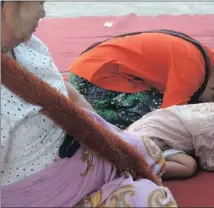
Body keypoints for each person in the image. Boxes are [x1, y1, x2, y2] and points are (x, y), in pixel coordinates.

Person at [1, 2, 177, 207]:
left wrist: (104, 136)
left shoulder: (28, 45)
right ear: (9, 5)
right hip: (51, 195)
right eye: (39, 2)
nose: (43, 12)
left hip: (85, 150)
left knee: (147, 149)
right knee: (153, 201)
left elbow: (66, 93)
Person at [69, 31, 214, 129]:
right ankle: (88, 117)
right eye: (209, 103)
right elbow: (168, 118)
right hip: (92, 78)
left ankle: (86, 109)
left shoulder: (202, 56)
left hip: (91, 69)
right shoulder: (192, 72)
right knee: (157, 116)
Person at [126, 103, 214, 179]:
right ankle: (137, 168)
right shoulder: (213, 130)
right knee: (189, 166)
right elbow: (210, 163)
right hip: (147, 141)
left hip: (146, 131)